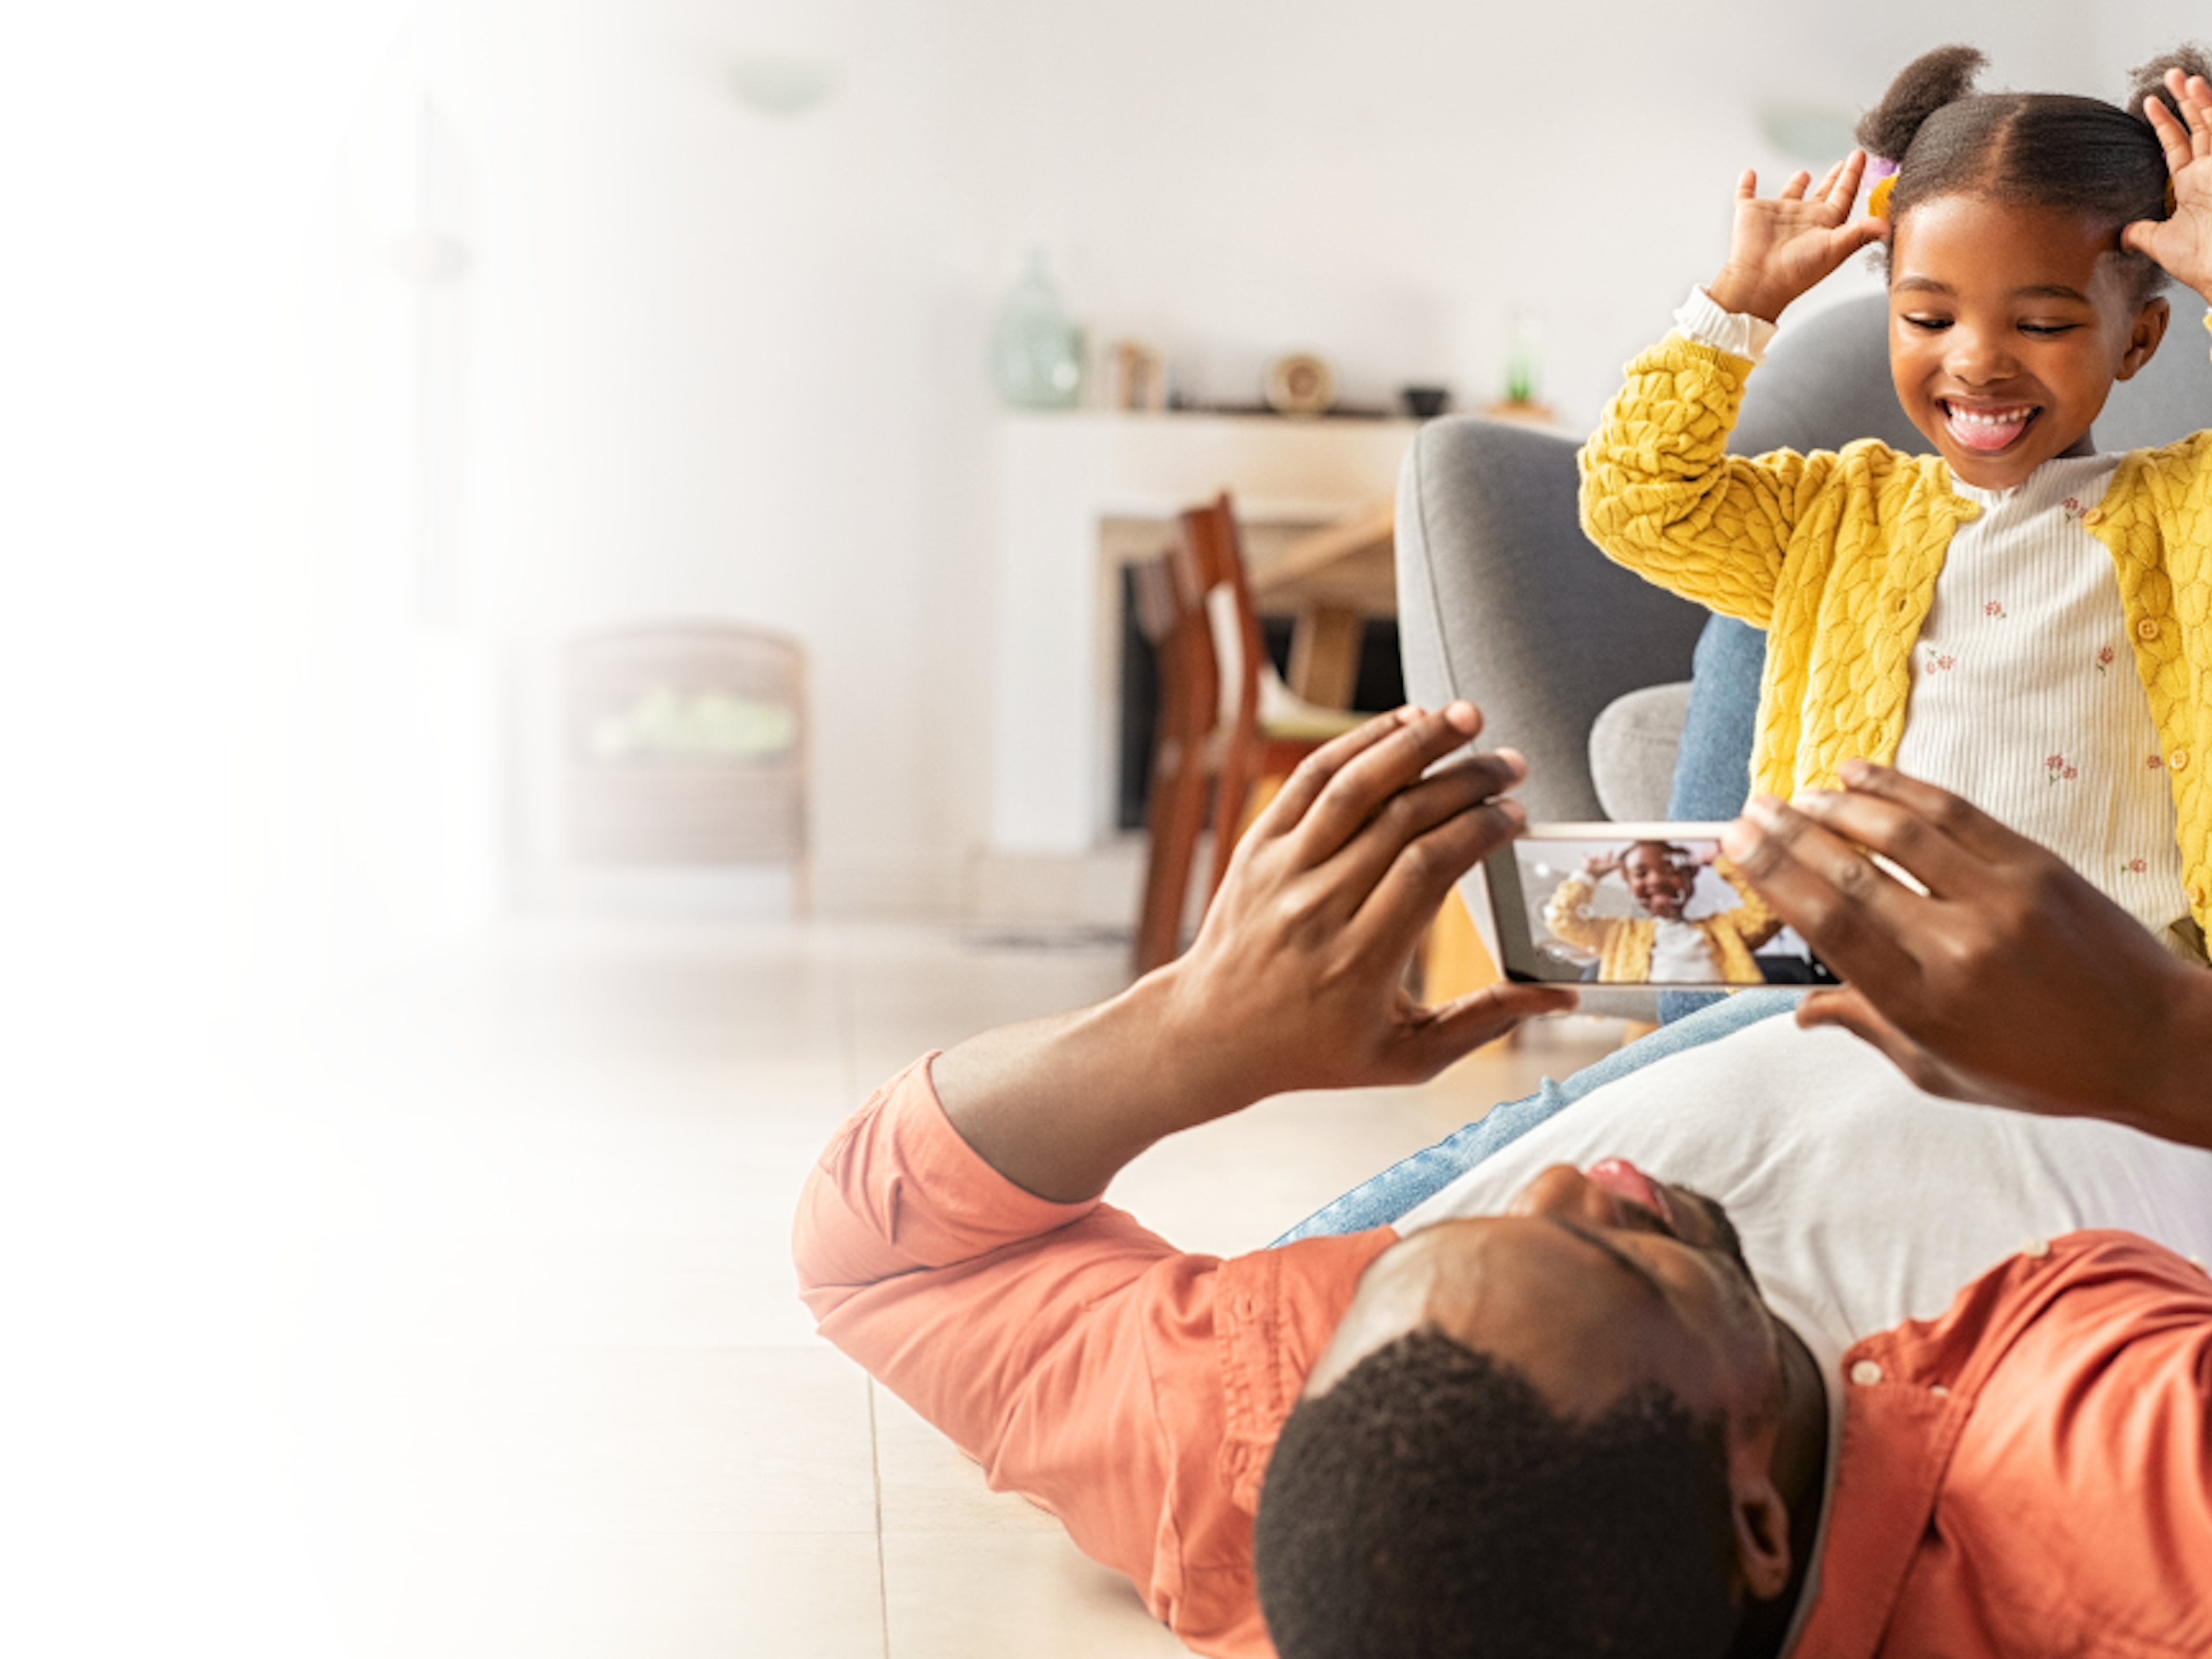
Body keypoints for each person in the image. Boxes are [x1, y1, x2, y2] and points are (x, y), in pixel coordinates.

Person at [793, 704, 2212, 1659]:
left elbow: (880, 1251)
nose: (1587, 1181)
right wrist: (2159, 1046)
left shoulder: (1293, 1450)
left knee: (1737, 625)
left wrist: (1187, 1036)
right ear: (1758, 1521)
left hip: (1756, 1017)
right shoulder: (2103, 1493)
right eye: (1617, 1255)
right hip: (2143, 1033)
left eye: (1432, 1261)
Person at [1579, 46, 2212, 969]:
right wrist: (1741, 305)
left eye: (2042, 325)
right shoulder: (1837, 519)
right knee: (1561, 1117)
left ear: (2140, 339)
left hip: (2118, 1012)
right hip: (1856, 993)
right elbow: (1637, 501)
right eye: (1928, 319)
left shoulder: (2188, 512)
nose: (1977, 361)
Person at [1541, 840, 1779, 983]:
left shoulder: (1723, 929)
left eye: (1669, 870)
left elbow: (1769, 912)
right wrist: (1589, 878)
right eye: (1641, 874)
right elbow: (1562, 921)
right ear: (1629, 887)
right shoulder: (1618, 933)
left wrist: (1724, 864)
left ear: (1689, 879)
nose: (1656, 880)